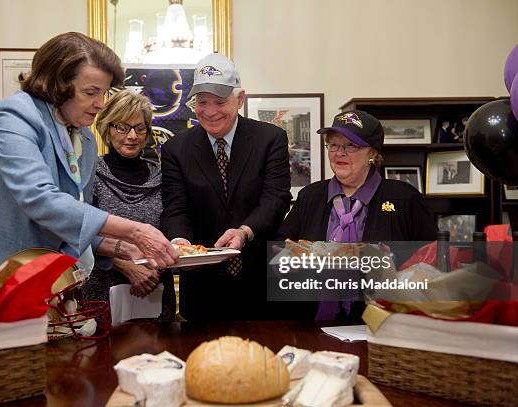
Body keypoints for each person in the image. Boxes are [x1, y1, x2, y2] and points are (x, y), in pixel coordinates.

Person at [0, 32, 178, 272]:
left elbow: (69, 219)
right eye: (90, 92)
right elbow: (40, 199)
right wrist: (136, 231)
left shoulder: (84, 137)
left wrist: (123, 248)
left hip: (31, 273)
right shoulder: (13, 116)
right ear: (57, 85)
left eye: (103, 93)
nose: (101, 104)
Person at [161, 53, 292, 320]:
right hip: (202, 286)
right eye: (202, 102)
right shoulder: (176, 148)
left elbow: (276, 199)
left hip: (261, 280)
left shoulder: (270, 139)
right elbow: (176, 207)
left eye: (219, 102)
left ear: (240, 99)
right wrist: (180, 244)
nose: (209, 112)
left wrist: (245, 231)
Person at [278, 110, 437, 321]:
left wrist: (387, 264)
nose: (339, 153)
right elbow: (281, 248)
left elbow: (430, 261)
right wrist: (293, 261)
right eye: (333, 145)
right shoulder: (311, 196)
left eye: (350, 146)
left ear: (373, 153)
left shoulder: (404, 198)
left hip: (384, 322)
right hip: (314, 323)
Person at [81, 89, 175, 321]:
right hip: (102, 294)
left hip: (155, 289)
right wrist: (126, 266)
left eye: (139, 127)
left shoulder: (163, 177)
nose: (132, 135)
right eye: (122, 127)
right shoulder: (90, 174)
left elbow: (171, 230)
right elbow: (79, 232)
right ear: (107, 129)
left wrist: (156, 268)